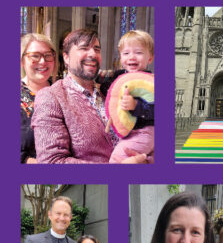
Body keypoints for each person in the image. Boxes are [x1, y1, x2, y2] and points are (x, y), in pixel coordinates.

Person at [32, 29, 146, 164]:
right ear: (66, 57)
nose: (93, 54)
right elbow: (51, 162)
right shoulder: (51, 97)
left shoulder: (109, 89)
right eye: (84, 48)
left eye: (97, 49)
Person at [104, 30, 155, 163]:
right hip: (125, 132)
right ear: (121, 58)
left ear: (150, 58)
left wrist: (136, 106)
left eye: (138, 53)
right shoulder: (119, 75)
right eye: (126, 53)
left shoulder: (151, 81)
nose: (131, 57)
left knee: (116, 160)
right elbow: (110, 90)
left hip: (143, 132)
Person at [21, 33, 57, 163]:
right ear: (22, 61)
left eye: (48, 55)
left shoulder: (62, 90)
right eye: (35, 56)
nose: (42, 61)